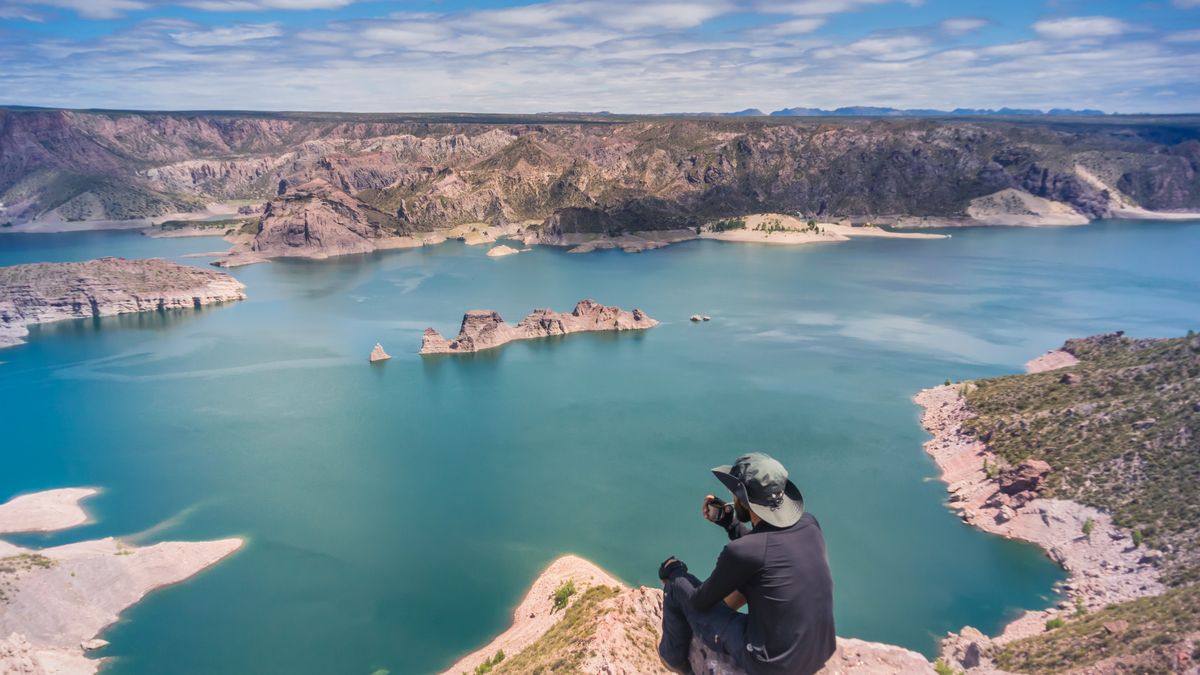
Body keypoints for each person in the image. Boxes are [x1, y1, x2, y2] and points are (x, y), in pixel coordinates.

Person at [657, 452, 836, 675]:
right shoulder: (810, 524)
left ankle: (675, 661)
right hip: (819, 651)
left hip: (770, 665)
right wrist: (730, 523)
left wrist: (674, 571)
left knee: (676, 588)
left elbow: (698, 602)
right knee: (753, 581)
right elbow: (766, 550)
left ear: (742, 498)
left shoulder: (741, 552)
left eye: (734, 492)